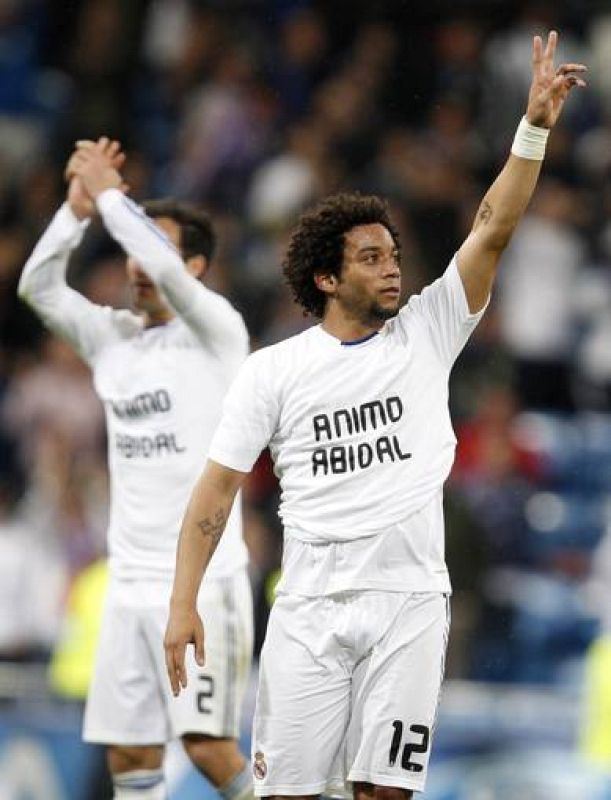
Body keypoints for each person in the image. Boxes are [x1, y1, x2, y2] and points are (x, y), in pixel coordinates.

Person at [164, 32, 585, 799]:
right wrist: (181, 604)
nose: (391, 265)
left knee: (382, 795)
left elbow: (491, 225)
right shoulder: (274, 371)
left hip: (409, 604)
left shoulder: (429, 329)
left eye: (392, 254)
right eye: (369, 257)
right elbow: (214, 494)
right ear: (325, 276)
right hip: (306, 608)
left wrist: (533, 128)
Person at [18, 138, 254, 800]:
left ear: (198, 267)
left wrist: (111, 192)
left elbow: (164, 269)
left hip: (205, 581)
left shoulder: (218, 333)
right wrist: (75, 210)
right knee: (129, 753)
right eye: (132, 251)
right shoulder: (112, 340)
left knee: (207, 747)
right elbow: (36, 286)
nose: (139, 265)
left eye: (158, 250)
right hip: (127, 583)